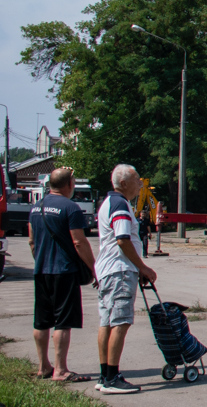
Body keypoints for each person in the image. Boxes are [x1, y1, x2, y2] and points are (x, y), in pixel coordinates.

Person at [29, 166, 97, 382]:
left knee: (41, 321)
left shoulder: (35, 208)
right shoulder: (71, 208)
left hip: (41, 271)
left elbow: (32, 242)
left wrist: (40, 259)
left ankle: (43, 367)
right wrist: (94, 268)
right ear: (70, 184)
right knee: (62, 322)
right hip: (64, 271)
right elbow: (79, 241)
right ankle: (60, 369)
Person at [95, 164, 158, 394]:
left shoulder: (109, 202)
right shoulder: (120, 204)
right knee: (120, 322)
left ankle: (105, 374)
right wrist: (142, 267)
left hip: (108, 270)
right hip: (119, 270)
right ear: (123, 183)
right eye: (136, 180)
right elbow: (123, 239)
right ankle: (112, 377)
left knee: (107, 322)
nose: (140, 184)